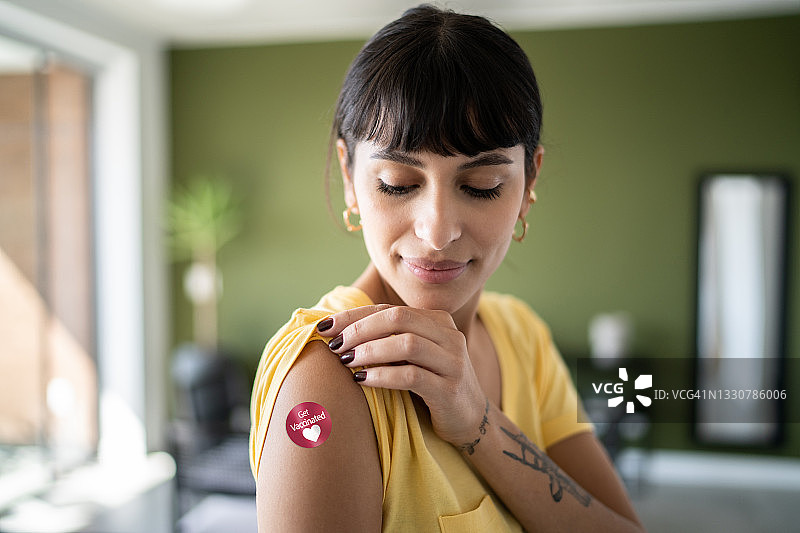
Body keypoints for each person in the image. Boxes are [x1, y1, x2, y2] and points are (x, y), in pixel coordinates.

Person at [249, 4, 644, 531]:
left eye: (481, 186)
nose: (437, 232)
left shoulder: (521, 335)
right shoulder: (325, 377)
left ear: (528, 184)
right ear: (350, 176)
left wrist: (479, 423)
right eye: (398, 182)